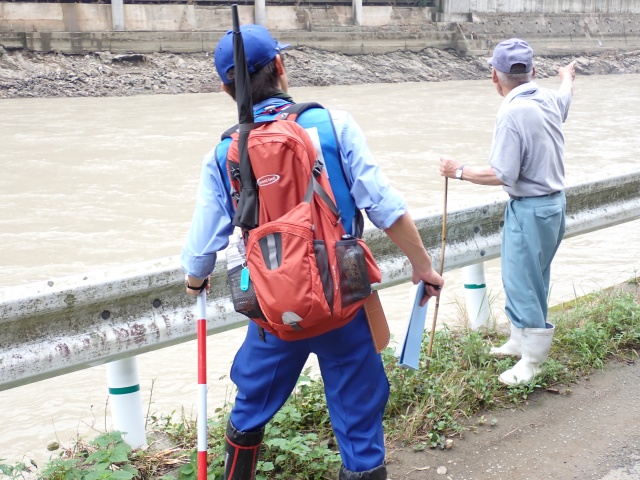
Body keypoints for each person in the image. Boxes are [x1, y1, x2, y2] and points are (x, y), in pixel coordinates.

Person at [180, 24, 444, 480]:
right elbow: (385, 206)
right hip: (343, 298)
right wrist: (423, 266)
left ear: (227, 89)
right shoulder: (334, 125)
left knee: (249, 410)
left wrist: (195, 279)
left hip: (273, 311)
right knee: (359, 419)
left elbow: (203, 247)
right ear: (281, 67)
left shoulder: (223, 153)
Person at [440, 38, 576, 386]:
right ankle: (519, 340)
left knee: (521, 283)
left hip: (531, 208)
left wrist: (457, 170)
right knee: (534, 277)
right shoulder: (545, 98)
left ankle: (532, 362)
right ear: (532, 71)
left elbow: (502, 174)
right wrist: (566, 77)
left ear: (493, 77)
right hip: (553, 206)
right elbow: (564, 101)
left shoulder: (511, 112)